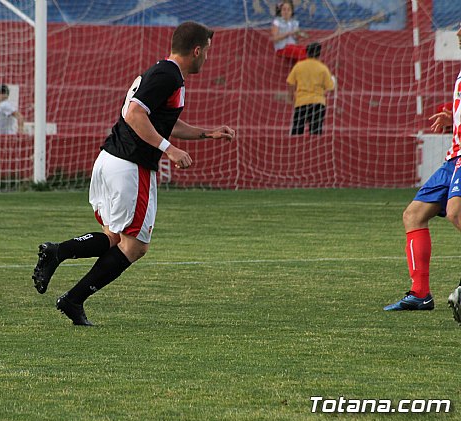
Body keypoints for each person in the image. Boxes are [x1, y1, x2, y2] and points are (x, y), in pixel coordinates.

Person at [32, 21, 236, 326]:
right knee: (136, 245)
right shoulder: (168, 75)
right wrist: (169, 150)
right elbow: (135, 115)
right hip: (131, 165)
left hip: (111, 160)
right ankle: (72, 293)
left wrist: (207, 134)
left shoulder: (165, 73)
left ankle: (59, 258)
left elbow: (160, 121)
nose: (207, 57)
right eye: (207, 50)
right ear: (196, 50)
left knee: (116, 238)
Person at [384, 22, 461, 325]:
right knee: (413, 215)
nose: (457, 33)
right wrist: (449, 115)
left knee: (456, 212)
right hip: (453, 158)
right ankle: (420, 294)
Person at [286, 42, 334, 135]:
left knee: (297, 130)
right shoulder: (323, 68)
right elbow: (330, 87)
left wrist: (291, 96)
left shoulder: (299, 66)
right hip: (318, 102)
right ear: (319, 53)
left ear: (307, 53)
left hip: (301, 101)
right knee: (316, 132)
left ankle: (295, 148)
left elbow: (290, 82)